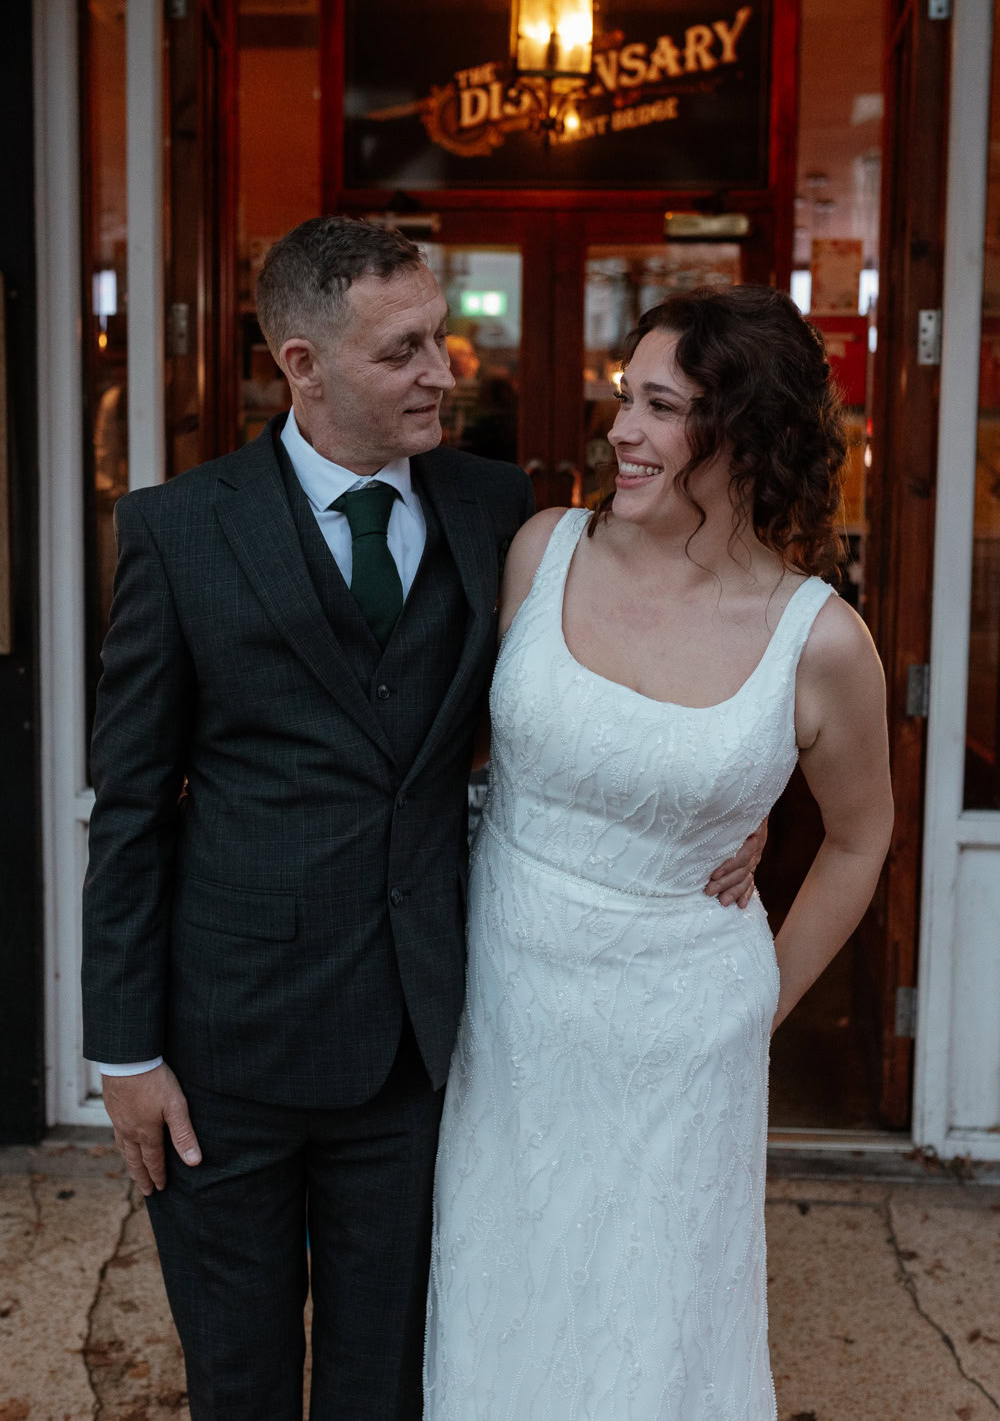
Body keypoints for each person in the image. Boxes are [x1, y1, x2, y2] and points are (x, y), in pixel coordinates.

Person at [80, 215, 762, 1420]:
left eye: (438, 340)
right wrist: (125, 1053)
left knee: (386, 1379)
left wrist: (723, 794)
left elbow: (661, 625)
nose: (443, 373)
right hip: (223, 1049)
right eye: (401, 352)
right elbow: (131, 809)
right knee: (235, 1378)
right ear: (301, 363)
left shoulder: (496, 507)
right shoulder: (180, 531)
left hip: (421, 1042)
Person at [425, 284, 894, 1419]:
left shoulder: (819, 641)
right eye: (623, 398)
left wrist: (757, 1001)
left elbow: (860, 835)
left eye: (661, 408)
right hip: (511, 1009)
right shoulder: (542, 550)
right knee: (501, 1301)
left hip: (683, 1043)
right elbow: (461, 750)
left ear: (747, 433)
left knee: (658, 1327)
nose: (619, 430)